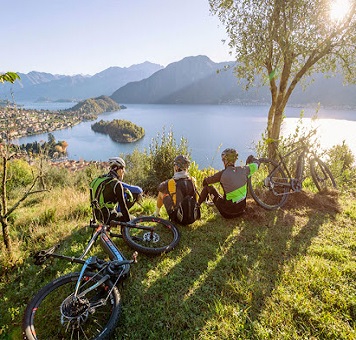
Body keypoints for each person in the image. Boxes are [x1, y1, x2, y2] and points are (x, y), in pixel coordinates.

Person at [198, 148, 259, 218]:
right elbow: (257, 163)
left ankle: (197, 207)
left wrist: (206, 193)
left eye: (223, 160)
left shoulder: (221, 174)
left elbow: (205, 182)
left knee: (207, 188)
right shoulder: (245, 169)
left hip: (227, 213)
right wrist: (252, 158)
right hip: (241, 210)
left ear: (226, 161)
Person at [155, 155, 200, 225]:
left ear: (176, 167)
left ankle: (156, 213)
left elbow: (159, 187)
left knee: (161, 193)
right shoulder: (192, 180)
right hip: (193, 218)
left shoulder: (171, 182)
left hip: (178, 219)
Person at [90, 157, 131, 224]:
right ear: (117, 169)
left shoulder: (99, 179)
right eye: (123, 168)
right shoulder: (116, 184)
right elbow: (123, 208)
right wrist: (130, 223)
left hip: (97, 215)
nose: (124, 171)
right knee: (133, 219)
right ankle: (125, 234)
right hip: (109, 216)